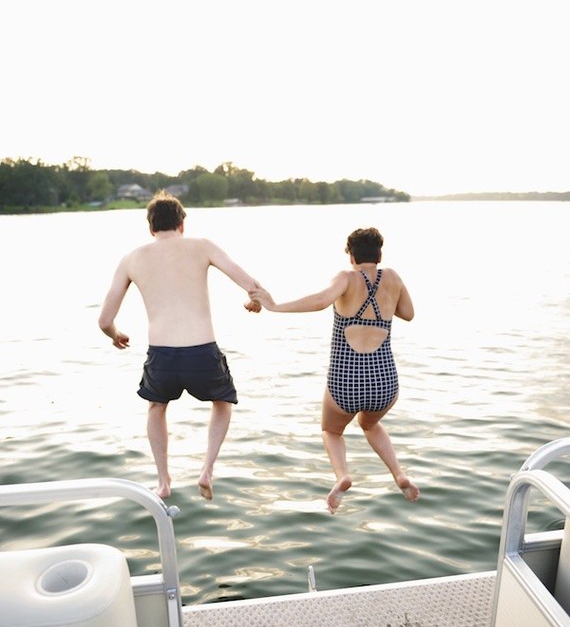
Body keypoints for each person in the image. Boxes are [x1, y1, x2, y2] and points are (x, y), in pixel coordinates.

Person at [98, 190, 261, 501]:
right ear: (182, 224)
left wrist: (115, 334)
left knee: (156, 407)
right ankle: (207, 470)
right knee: (223, 402)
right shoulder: (202, 247)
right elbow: (250, 284)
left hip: (162, 356)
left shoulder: (132, 258)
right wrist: (254, 302)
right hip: (202, 351)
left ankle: (163, 481)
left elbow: (104, 320)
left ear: (151, 227)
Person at [249, 226, 420, 513]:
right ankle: (398, 474)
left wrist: (275, 306)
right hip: (384, 380)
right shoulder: (392, 278)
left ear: (351, 255)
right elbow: (408, 314)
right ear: (379, 254)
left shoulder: (346, 278)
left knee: (331, 429)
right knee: (370, 424)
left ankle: (342, 476)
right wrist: (386, 300)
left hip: (346, 378)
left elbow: (319, 301)